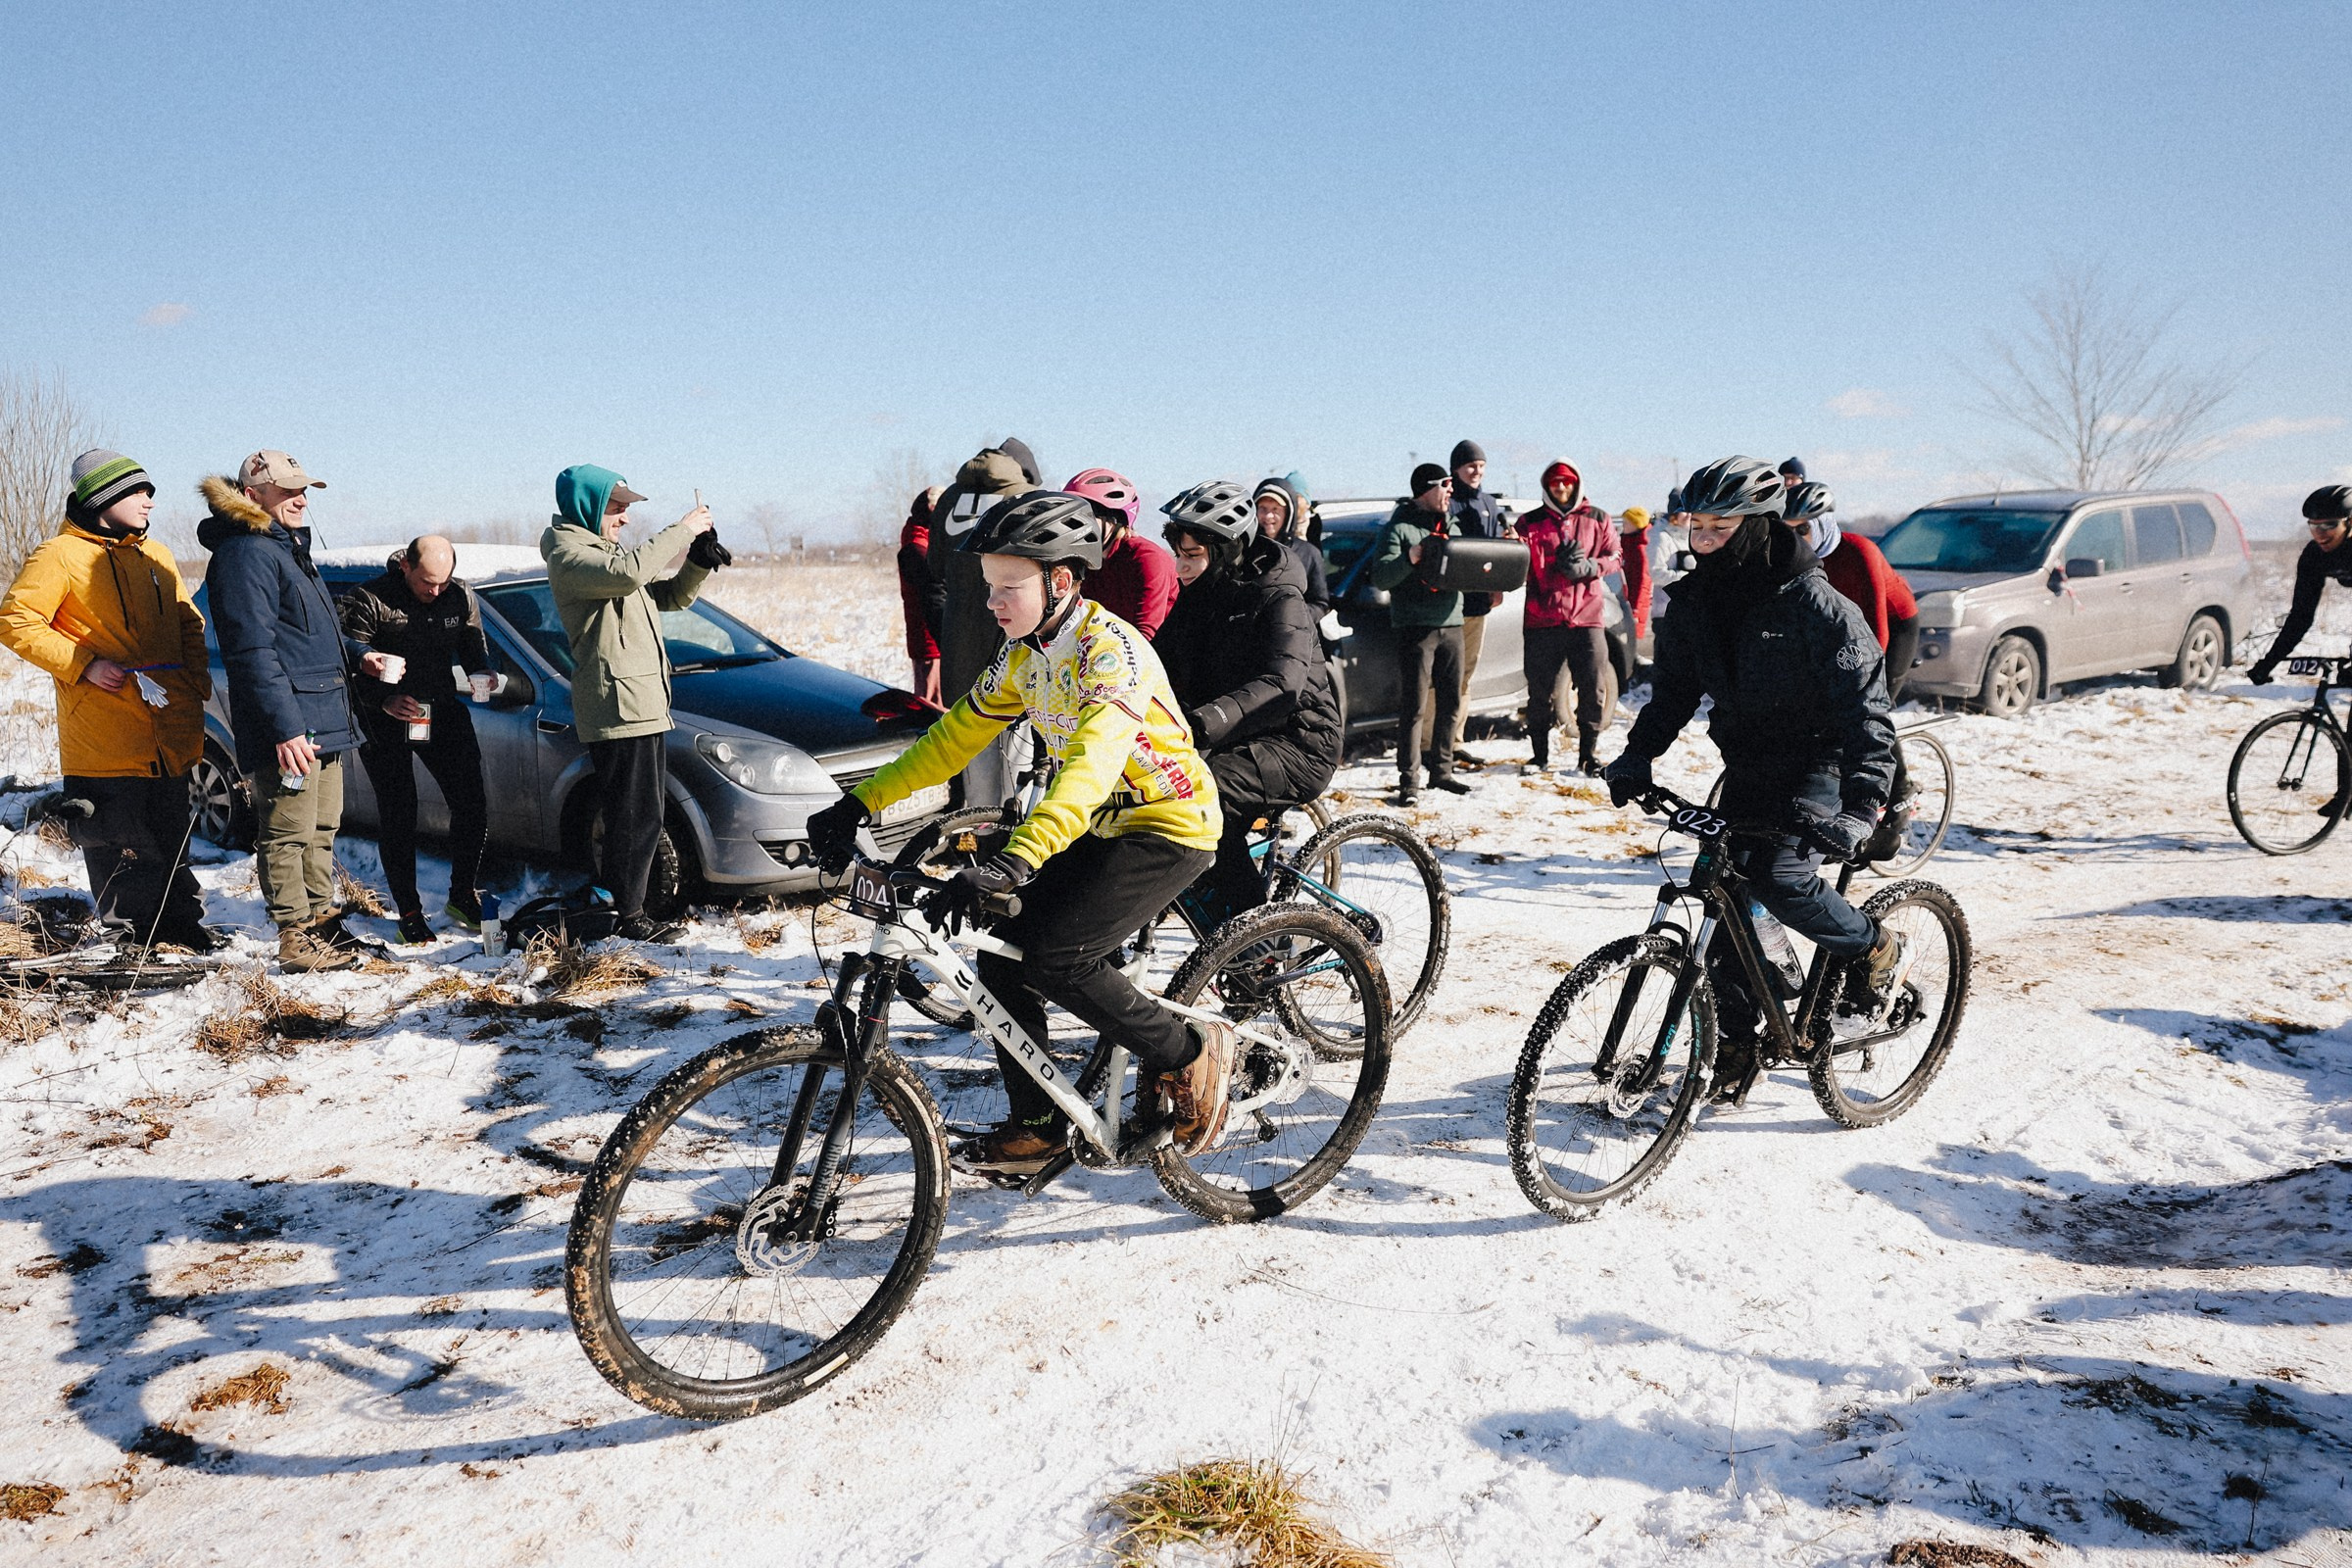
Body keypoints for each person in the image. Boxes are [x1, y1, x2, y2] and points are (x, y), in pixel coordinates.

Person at [805, 492, 1232, 1179]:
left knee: (1060, 958)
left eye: (1009, 587)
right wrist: (860, 802)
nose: (992, 603)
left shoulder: (1110, 653)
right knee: (1003, 951)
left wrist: (1016, 859)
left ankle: (1188, 1050)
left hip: (1167, 822)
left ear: (1060, 580)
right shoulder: (1024, 657)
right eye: (988, 587)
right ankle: (1038, 1127)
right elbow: (953, 739)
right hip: (1097, 820)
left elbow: (1090, 767)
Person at [1601, 456, 1905, 1099]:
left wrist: (1863, 805)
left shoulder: (1819, 607)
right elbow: (1673, 693)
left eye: (1721, 528)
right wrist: (1637, 755)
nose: (1705, 540)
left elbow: (1867, 713)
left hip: (1821, 763)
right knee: (1725, 896)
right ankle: (1736, 1046)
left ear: (1759, 526)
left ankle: (1873, 947)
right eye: (1698, 527)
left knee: (1780, 877)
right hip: (1748, 763)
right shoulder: (1695, 602)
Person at [0, 450, 219, 952]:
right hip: (104, 736)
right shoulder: (59, 555)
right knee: (118, 840)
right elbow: (15, 620)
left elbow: (188, 622)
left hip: (168, 731)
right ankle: (134, 938)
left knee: (171, 836)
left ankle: (182, 928)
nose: (149, 502)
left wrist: (195, 683)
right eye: (139, 492)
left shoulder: (156, 555)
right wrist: (84, 664)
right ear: (104, 498)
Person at [199, 451, 366, 972]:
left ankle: (322, 922)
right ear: (252, 495)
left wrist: (362, 655)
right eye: (288, 491)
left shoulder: (286, 548)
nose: (300, 500)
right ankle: (295, 936)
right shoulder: (246, 553)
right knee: (288, 830)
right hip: (291, 723)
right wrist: (286, 728)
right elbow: (252, 651)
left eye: (303, 490)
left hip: (324, 715)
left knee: (322, 826)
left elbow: (309, 636)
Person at [540, 466, 714, 943]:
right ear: (588, 507)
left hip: (641, 702)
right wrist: (682, 530)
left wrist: (697, 562)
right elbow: (631, 574)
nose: (625, 519)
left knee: (643, 813)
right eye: (616, 509)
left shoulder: (607, 555)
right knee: (632, 814)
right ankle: (630, 914)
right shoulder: (569, 554)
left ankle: (628, 907)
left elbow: (669, 596)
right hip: (617, 706)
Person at [1156, 479, 1344, 925]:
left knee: (1204, 798)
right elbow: (1155, 663)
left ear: (1226, 550)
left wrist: (1203, 720)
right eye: (1178, 555)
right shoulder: (1198, 597)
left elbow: (1281, 684)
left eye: (1193, 555)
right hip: (1235, 737)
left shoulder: (1279, 595)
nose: (1181, 567)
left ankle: (1259, 940)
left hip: (1300, 741)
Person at [337, 536, 499, 944]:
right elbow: (343, 663)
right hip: (383, 715)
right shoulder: (371, 598)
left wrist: (482, 671)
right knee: (399, 811)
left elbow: (472, 646)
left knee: (471, 802)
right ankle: (409, 912)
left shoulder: (459, 595)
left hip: (438, 706)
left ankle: (462, 895)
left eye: (443, 582)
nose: (436, 591)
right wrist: (382, 699)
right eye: (428, 582)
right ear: (406, 567)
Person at [1783, 481, 1921, 851]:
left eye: (1802, 529)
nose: (1795, 538)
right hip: (1843, 631)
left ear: (1823, 524)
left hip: (1895, 626)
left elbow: (1876, 631)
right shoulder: (1791, 559)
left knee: (1869, 712)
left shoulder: (1859, 552)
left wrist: (1861, 684)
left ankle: (1899, 793)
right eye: (1786, 529)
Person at [926, 441, 1038, 809]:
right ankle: (1011, 834)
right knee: (1019, 761)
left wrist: (950, 632)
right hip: (1014, 645)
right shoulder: (1027, 500)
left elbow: (934, 575)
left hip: (960, 649)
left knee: (975, 748)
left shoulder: (949, 499)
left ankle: (979, 828)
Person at [1369, 463, 1469, 804]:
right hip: (1415, 627)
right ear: (1427, 489)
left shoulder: (1451, 524)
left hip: (1452, 623)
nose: (1451, 491)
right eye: (1445, 484)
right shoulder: (1397, 528)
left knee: (1451, 702)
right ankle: (1409, 781)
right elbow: (1381, 577)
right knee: (1414, 708)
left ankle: (1442, 772)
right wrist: (1411, 556)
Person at [1519, 460, 1620, 776]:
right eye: (1554, 481)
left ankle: (1587, 755)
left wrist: (1589, 567)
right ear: (1545, 486)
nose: (1561, 487)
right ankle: (1539, 756)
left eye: (1566, 481)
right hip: (1542, 620)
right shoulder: (1529, 522)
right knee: (1539, 692)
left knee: (1593, 688)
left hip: (1587, 619)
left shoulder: (1598, 518)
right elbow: (1517, 559)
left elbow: (1616, 556)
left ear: (1576, 483)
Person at [1430, 438, 1510, 770]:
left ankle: (1455, 741)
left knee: (1464, 676)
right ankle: (1431, 744)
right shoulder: (1448, 501)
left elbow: (1495, 551)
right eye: (1470, 466)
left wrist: (1498, 585)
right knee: (1441, 677)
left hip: (1478, 605)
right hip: (1448, 605)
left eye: (1481, 466)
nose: (1476, 472)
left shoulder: (1490, 504)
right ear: (1456, 469)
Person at [2247, 485, 2352, 688]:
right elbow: (2301, 616)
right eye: (2314, 526)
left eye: (2329, 525)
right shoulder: (2314, 555)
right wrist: (2268, 663)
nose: (2320, 534)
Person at [1068, 467, 1178, 638]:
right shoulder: (1085, 560)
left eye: (1085, 518)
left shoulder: (1148, 559)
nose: (1076, 528)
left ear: (1114, 519)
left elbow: (1147, 634)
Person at [895, 485, 945, 705]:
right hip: (930, 643)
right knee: (933, 705)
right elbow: (934, 594)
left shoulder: (922, 540)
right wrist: (946, 638)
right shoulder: (916, 547)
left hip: (932, 640)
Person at [1252, 476, 1331, 615]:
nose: (1268, 516)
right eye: (1263, 508)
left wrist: (1293, 618)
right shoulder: (1244, 551)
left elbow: (1320, 603)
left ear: (1288, 513)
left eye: (1275, 509)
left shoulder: (1309, 553)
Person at [1617, 505, 1656, 645]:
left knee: (1626, 643)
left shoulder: (1639, 549)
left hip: (1633, 604)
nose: (1623, 525)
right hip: (1623, 600)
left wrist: (1635, 609)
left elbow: (1642, 582)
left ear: (1636, 524)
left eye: (1626, 522)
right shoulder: (1626, 544)